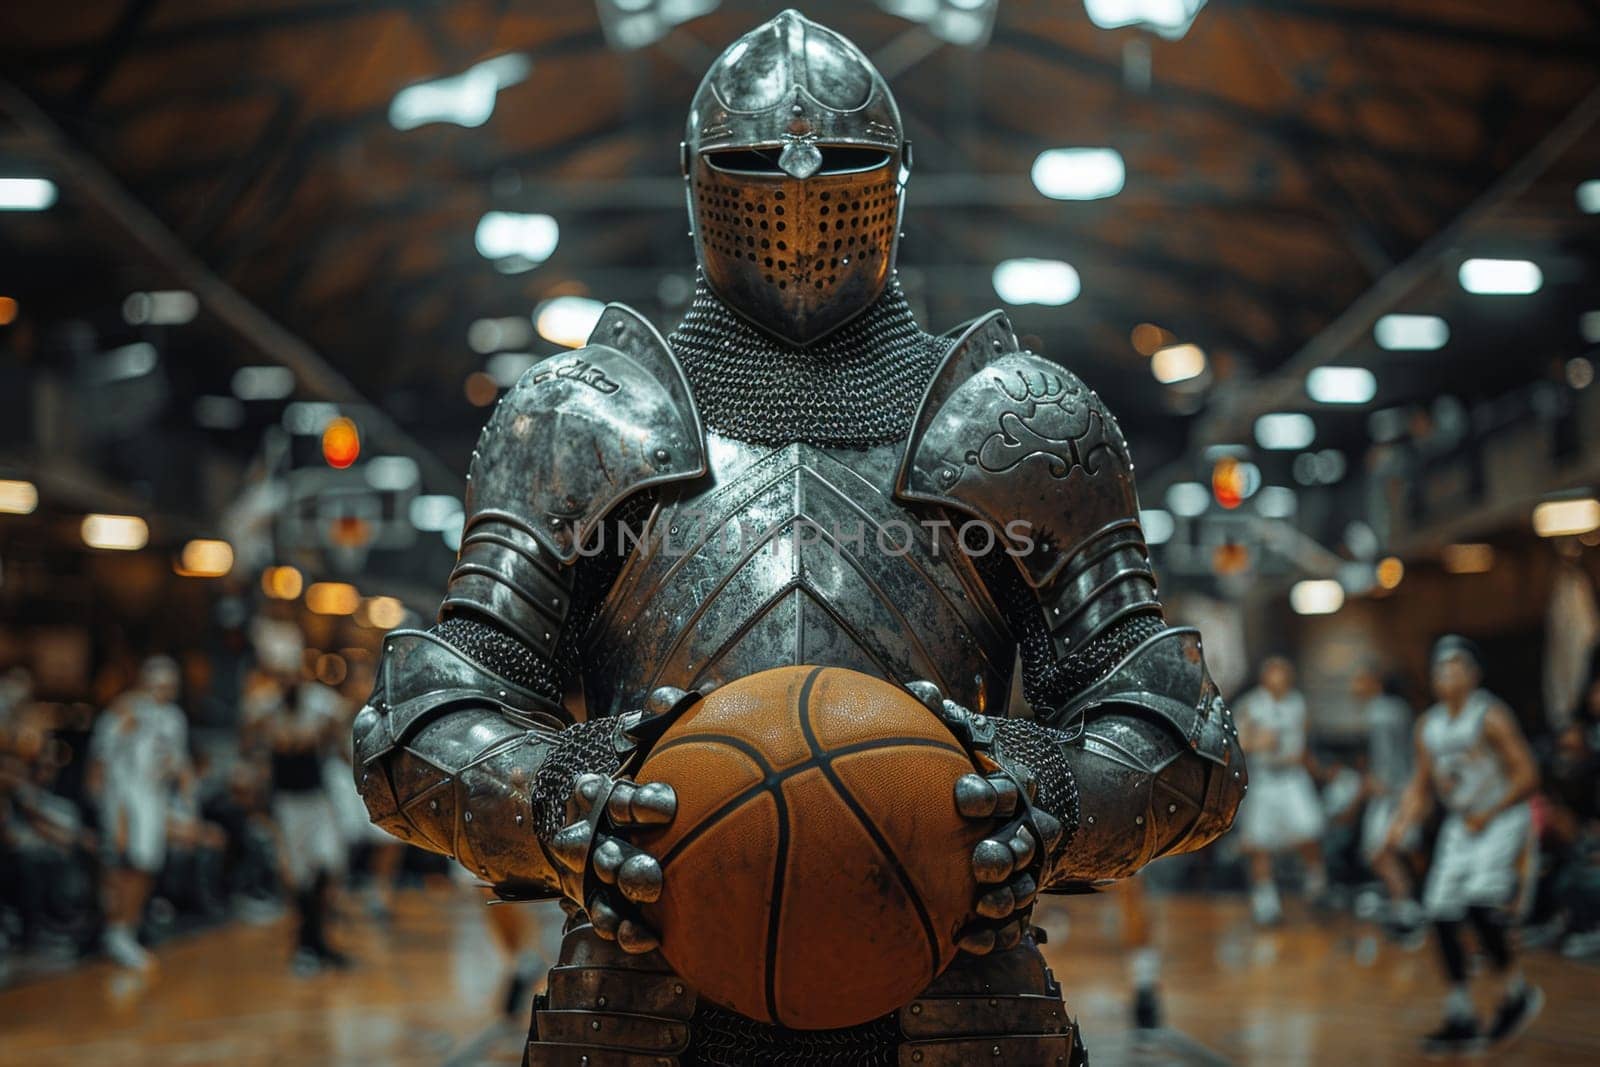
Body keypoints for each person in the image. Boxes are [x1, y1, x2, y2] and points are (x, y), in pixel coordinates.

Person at [350, 11, 1245, 1063]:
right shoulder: (584, 419)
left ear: (895, 179)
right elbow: (424, 716)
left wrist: (1044, 785)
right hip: (646, 990)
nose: (800, 192)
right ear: (697, 181)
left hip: (958, 996)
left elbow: (1179, 731)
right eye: (753, 164)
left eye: (845, 164)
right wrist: (556, 790)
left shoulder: (1017, 421)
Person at [1379, 635, 1542, 1054]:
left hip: (1500, 816)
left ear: (1473, 674)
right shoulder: (1429, 726)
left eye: (1454, 665)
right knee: (1440, 911)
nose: (1445, 674)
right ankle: (1461, 1013)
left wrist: (1491, 811)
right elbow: (1420, 786)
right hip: (1461, 823)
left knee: (1478, 905)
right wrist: (1399, 824)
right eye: (1439, 667)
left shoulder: (1489, 717)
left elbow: (1528, 774)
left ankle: (1515, 993)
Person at [85, 656, 194, 970]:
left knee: (145, 864)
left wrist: (186, 803)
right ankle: (115, 929)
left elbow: (178, 762)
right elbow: (101, 758)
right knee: (122, 862)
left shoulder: (174, 718)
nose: (163, 691)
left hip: (153, 799)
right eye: (157, 684)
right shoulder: (125, 709)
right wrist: (102, 805)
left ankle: (125, 929)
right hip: (123, 796)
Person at [245, 668, 350, 972]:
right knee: (298, 872)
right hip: (287, 801)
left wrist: (323, 732)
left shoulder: (319, 702)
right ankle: (309, 943)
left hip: (317, 798)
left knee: (327, 863)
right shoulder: (266, 705)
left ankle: (315, 939)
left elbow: (340, 718)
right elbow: (251, 736)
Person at [1234, 656, 1326, 924]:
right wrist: (1256, 742)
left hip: (1293, 776)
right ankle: (1266, 902)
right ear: (1265, 676)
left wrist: (1318, 770)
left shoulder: (1297, 703)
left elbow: (1304, 742)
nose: (1278, 677)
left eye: (1282, 672)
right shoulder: (1251, 705)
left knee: (1309, 830)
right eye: (1273, 672)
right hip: (1265, 778)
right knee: (1258, 843)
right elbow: (1236, 742)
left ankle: (1316, 881)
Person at [1352, 665, 1424, 937]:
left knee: (1380, 851)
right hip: (1403, 790)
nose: (1354, 686)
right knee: (1396, 849)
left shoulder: (1379, 713)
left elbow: (1386, 757)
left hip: (1393, 794)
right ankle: (1406, 901)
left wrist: (1380, 783)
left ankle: (1407, 906)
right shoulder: (1400, 708)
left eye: (1359, 679)